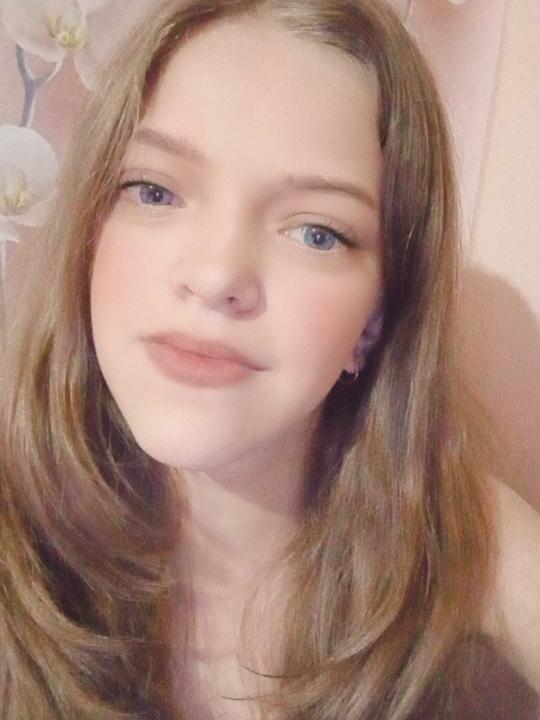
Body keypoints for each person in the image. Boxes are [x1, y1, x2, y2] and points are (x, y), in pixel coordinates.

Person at [0, 0, 539, 718]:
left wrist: (472, 535)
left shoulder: (454, 539)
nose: (218, 275)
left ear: (374, 322)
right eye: (155, 191)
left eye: (316, 232)